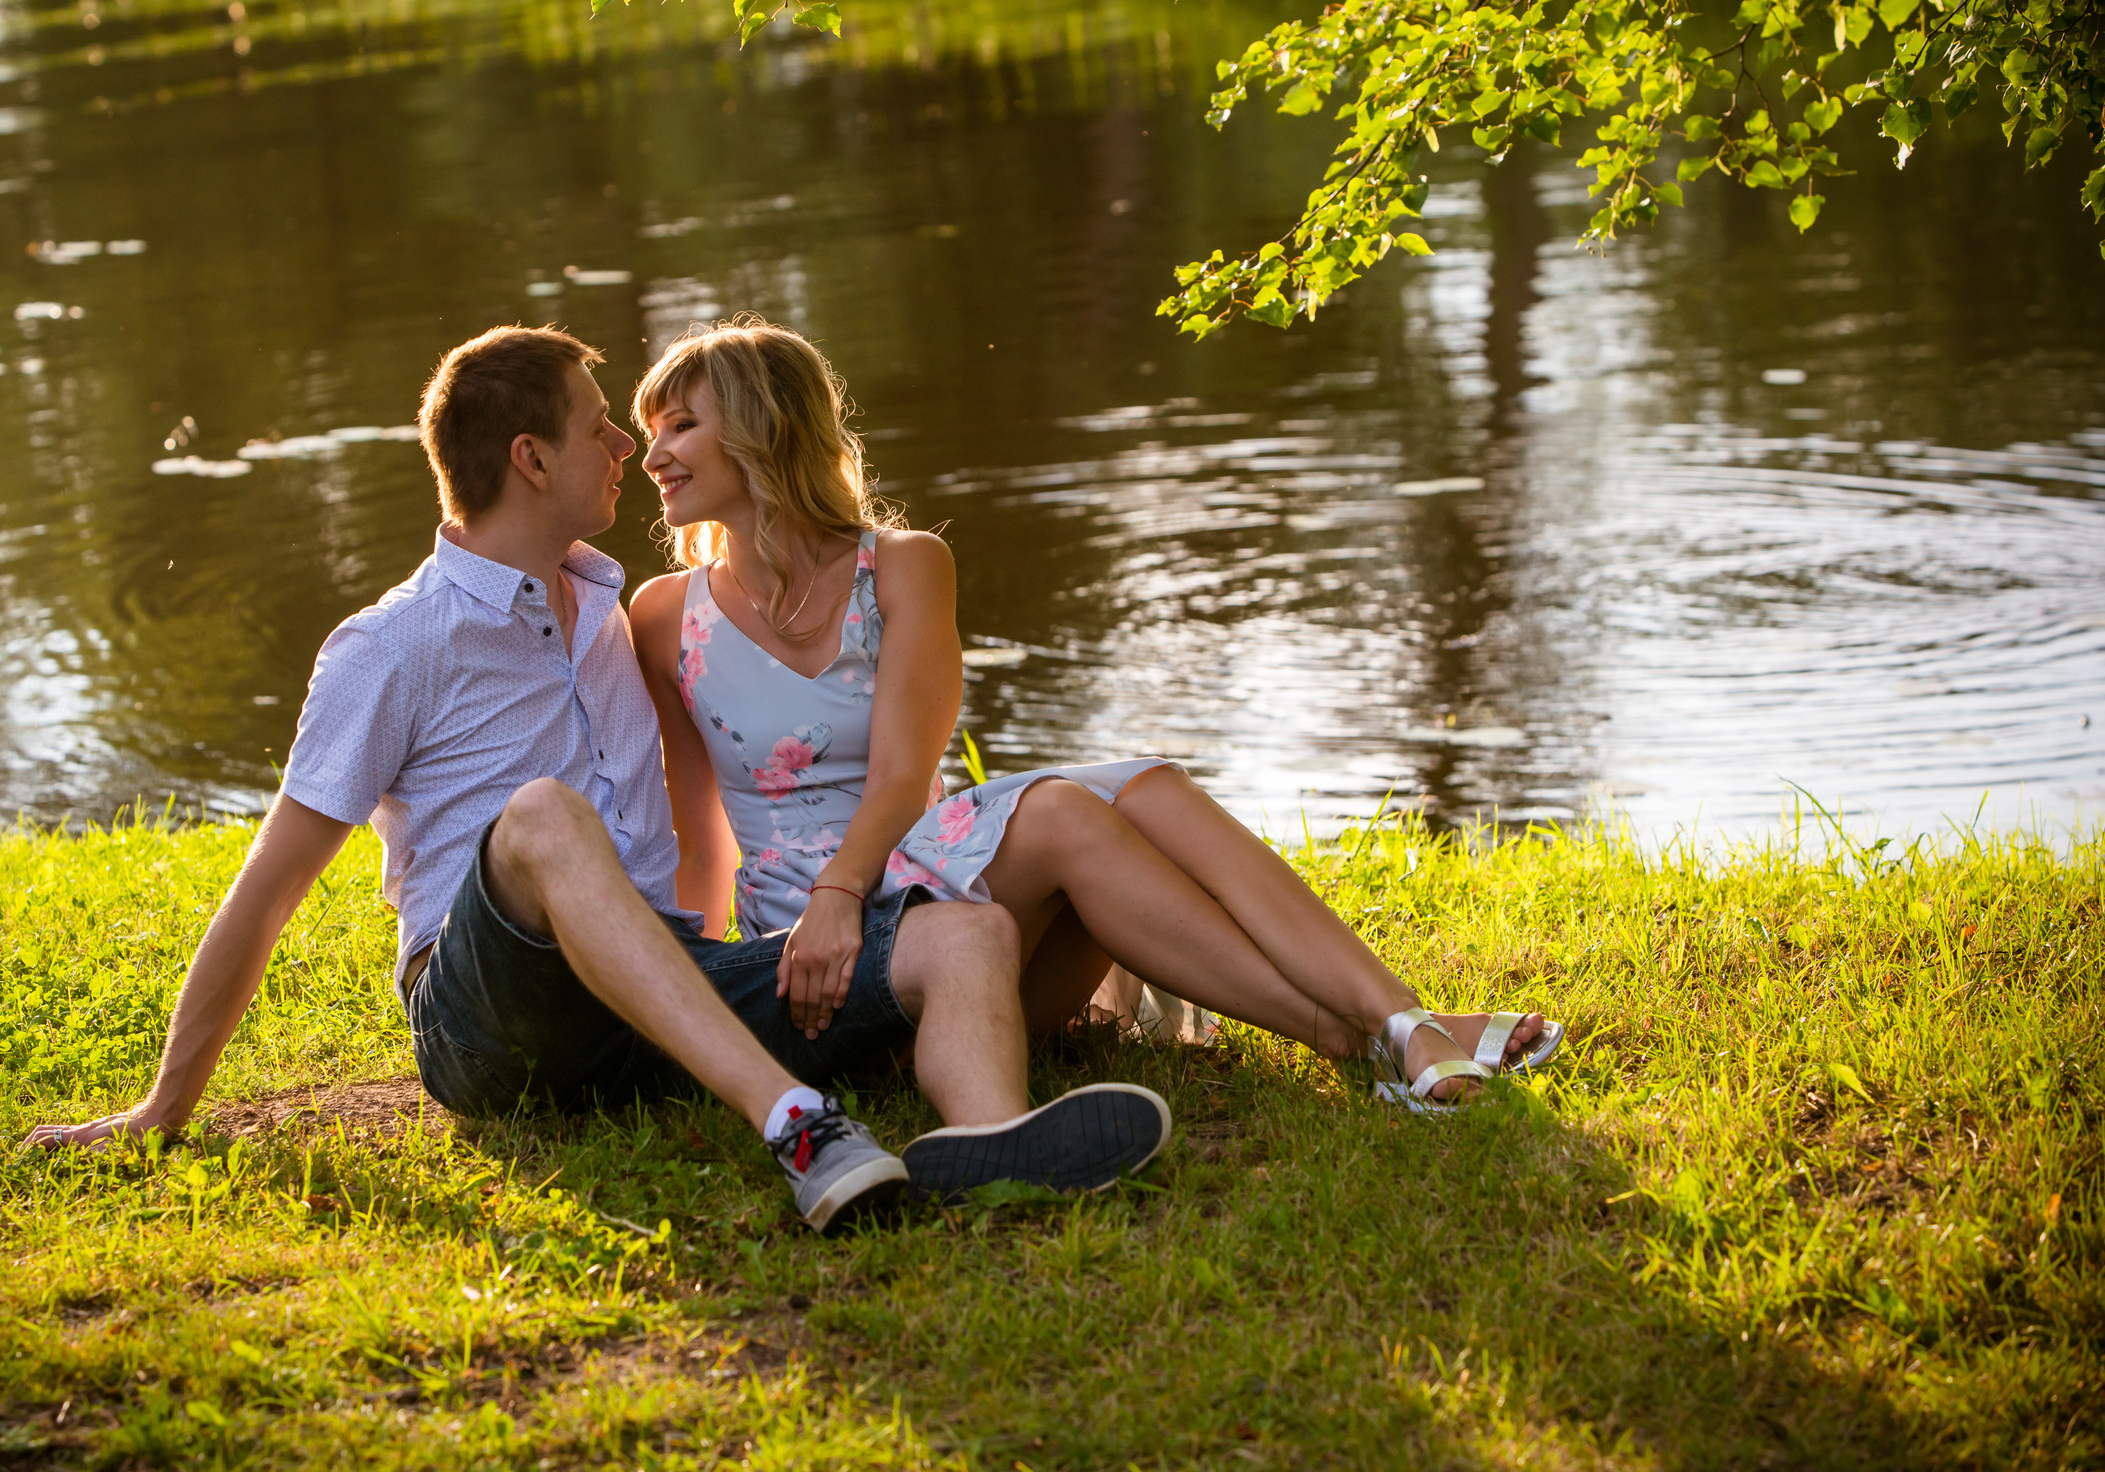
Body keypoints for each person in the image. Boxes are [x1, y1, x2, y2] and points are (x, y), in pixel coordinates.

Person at [24, 327, 1171, 1229]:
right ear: (530, 459)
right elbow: (268, 887)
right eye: (598, 432)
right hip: (491, 1010)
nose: (629, 448)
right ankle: (797, 1125)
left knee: (959, 932)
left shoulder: (617, 617)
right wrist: (158, 1110)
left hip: (659, 981)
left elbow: (719, 796)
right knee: (541, 815)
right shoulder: (391, 646)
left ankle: (995, 1145)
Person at [628, 320, 1564, 1109]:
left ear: (761, 427)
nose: (653, 454)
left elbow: (903, 780)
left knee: (1145, 788)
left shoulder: (902, 566)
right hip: (811, 943)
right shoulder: (667, 616)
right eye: (648, 431)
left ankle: (1397, 1022)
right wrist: (703, 1000)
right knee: (1078, 811)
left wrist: (844, 890)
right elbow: (698, 833)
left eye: (679, 426)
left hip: (920, 876)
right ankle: (1390, 1035)